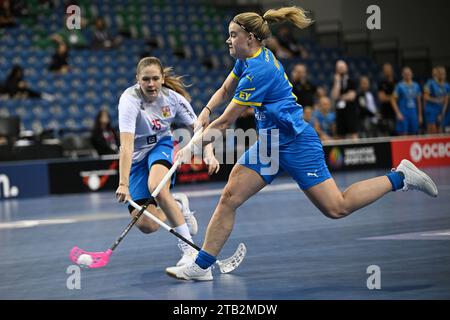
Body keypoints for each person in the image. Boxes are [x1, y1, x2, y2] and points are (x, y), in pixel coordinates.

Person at [165, 6, 438, 281]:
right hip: (268, 142)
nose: (228, 40)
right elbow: (225, 90)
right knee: (229, 198)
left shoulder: (259, 70)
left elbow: (226, 123)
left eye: (233, 35)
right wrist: (206, 111)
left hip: (296, 142)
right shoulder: (248, 57)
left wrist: (191, 147)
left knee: (337, 207)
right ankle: (201, 267)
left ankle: (400, 177)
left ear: (249, 38)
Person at [114, 57, 220, 267]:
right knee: (147, 225)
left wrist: (208, 152)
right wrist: (123, 184)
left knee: (157, 187)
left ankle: (189, 250)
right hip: (136, 155)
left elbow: (198, 127)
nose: (151, 84)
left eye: (155, 78)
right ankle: (179, 207)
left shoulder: (174, 99)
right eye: (146, 79)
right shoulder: (129, 100)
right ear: (138, 79)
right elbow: (126, 145)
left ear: (162, 78)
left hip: (161, 145)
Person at [391, 67, 422, 135]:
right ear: (403, 75)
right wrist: (398, 113)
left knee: (414, 133)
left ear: (412, 74)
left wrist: (420, 115)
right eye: (405, 73)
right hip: (403, 113)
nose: (407, 75)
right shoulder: (399, 86)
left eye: (409, 73)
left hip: (413, 113)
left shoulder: (416, 85)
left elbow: (419, 101)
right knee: (403, 134)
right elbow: (393, 100)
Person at [331, 60, 358, 140]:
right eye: (339, 68)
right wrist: (338, 81)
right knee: (340, 135)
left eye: (342, 67)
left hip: (350, 111)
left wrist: (340, 97)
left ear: (346, 68)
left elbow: (352, 96)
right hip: (339, 111)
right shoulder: (335, 81)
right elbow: (335, 96)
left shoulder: (351, 81)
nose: (341, 69)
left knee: (353, 133)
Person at [424, 66, 449, 134]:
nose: (443, 75)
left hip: (440, 110)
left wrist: (443, 112)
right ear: (437, 74)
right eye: (440, 73)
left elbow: (446, 100)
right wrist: (436, 100)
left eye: (444, 73)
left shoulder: (447, 85)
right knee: (432, 131)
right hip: (431, 110)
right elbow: (425, 97)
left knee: (440, 131)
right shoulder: (430, 83)